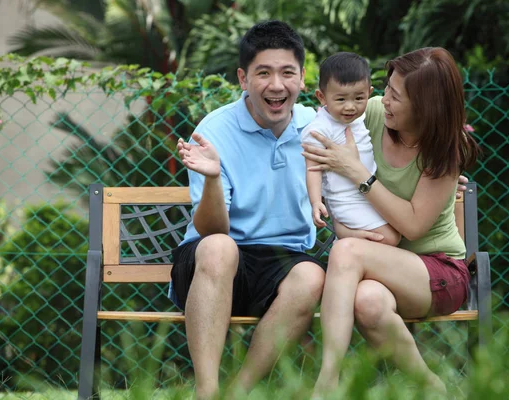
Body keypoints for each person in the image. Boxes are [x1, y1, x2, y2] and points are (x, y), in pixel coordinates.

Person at [301, 47, 481, 396]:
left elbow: (413, 227)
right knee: (367, 300)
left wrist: (357, 173)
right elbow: (321, 119)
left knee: (346, 252)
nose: (384, 101)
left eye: (396, 96)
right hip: (381, 263)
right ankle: (433, 388)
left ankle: (327, 383)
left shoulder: (444, 151)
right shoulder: (371, 113)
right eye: (387, 89)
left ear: (425, 106)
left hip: (438, 270)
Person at [168, 20, 327, 399]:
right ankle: (206, 392)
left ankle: (238, 392)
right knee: (221, 247)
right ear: (243, 78)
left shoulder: (317, 128)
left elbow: (369, 165)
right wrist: (209, 179)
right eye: (263, 73)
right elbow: (210, 230)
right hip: (215, 262)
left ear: (302, 79)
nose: (277, 85)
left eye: (287, 73)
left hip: (282, 262)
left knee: (311, 276)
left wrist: (435, 177)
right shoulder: (215, 131)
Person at [301, 52, 401, 246]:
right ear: (322, 97)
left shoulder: (363, 118)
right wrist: (315, 202)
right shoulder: (318, 130)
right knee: (390, 237)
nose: (350, 107)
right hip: (345, 199)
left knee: (396, 229)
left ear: (369, 93)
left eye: (358, 98)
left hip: (368, 191)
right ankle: (345, 233)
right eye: (340, 100)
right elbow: (312, 169)